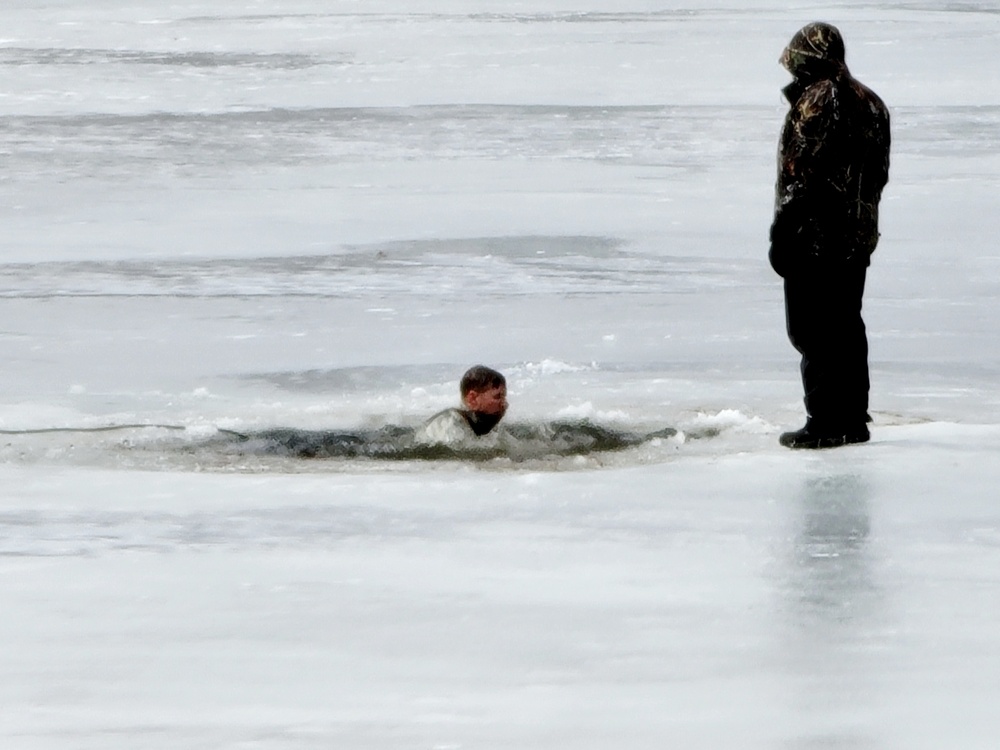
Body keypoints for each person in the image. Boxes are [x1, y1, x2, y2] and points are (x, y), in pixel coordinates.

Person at [769, 22, 891, 449]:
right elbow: (879, 176)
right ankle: (852, 418)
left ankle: (824, 422)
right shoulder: (873, 103)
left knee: (812, 329)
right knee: (845, 324)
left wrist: (783, 232)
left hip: (814, 238)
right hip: (856, 238)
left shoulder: (817, 100)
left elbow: (799, 173)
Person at [415, 365, 508, 445]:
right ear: (473, 399)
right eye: (498, 397)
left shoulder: (488, 431)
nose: (505, 404)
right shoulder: (448, 425)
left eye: (504, 397)